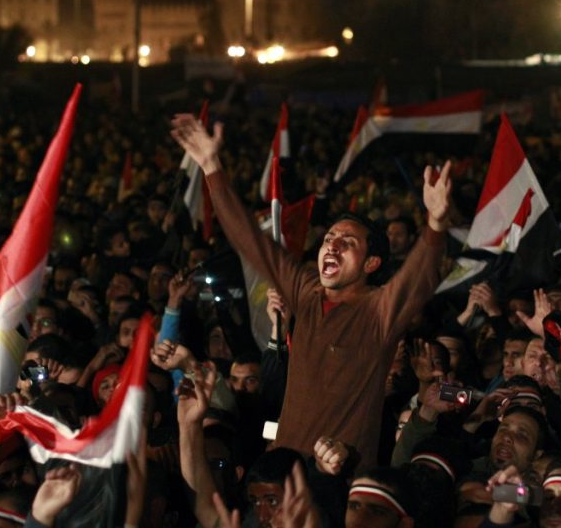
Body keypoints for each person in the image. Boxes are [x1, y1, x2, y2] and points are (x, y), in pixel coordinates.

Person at [170, 112, 451, 466]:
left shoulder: (379, 309)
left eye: (346, 242)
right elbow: (250, 240)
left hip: (339, 478)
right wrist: (212, 168)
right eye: (328, 239)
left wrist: (436, 224)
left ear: (371, 264)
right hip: (284, 473)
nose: (331, 247)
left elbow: (418, 277)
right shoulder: (306, 291)